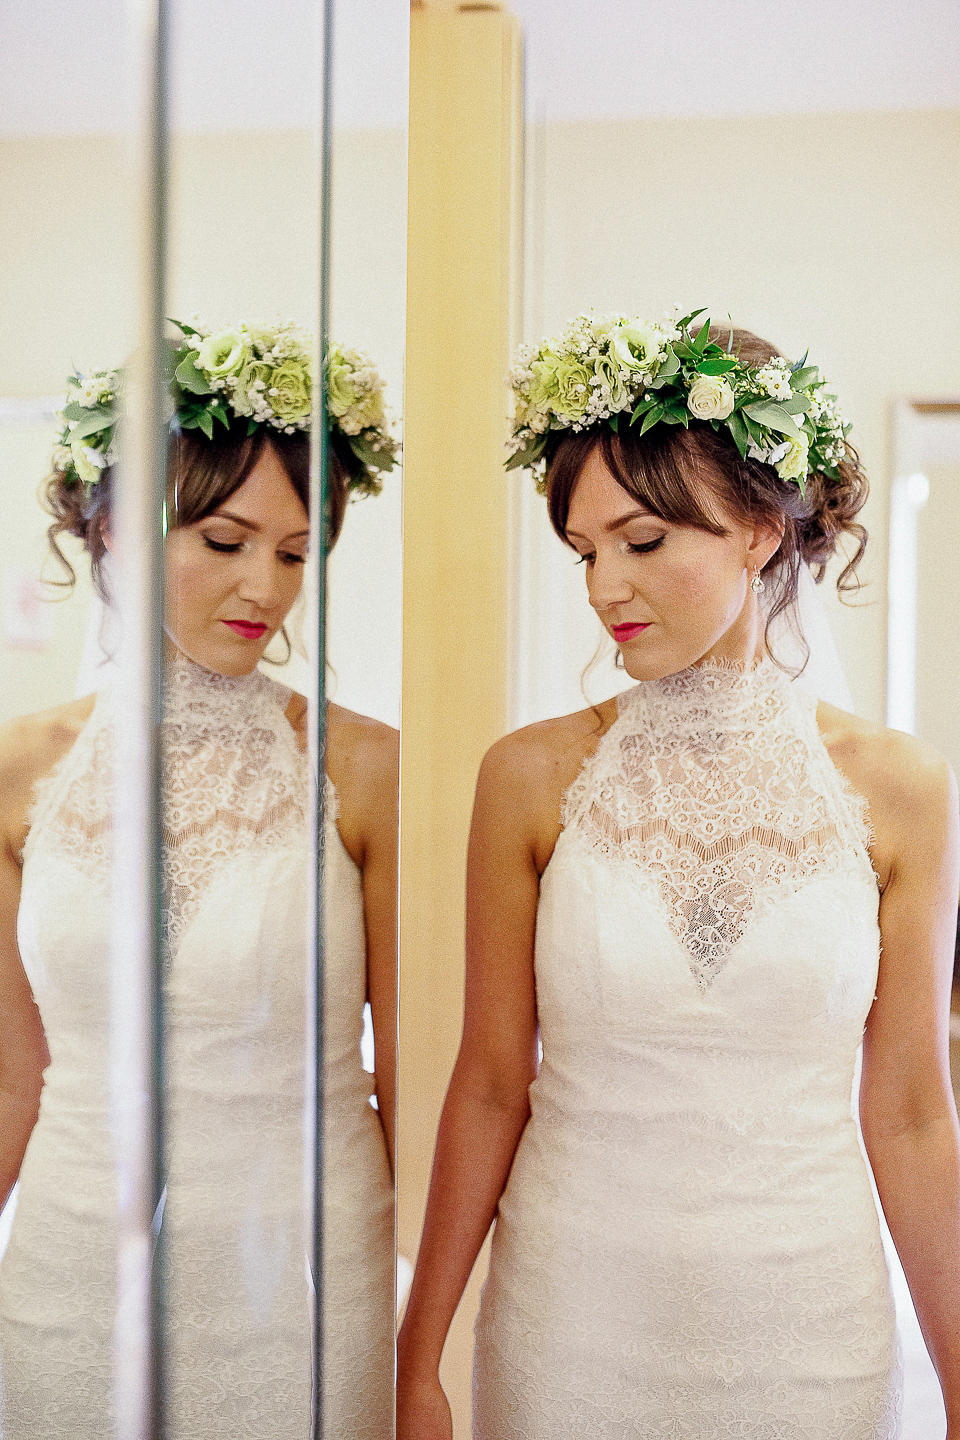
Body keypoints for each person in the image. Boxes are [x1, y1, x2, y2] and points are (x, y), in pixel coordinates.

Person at [396, 312, 960, 1439]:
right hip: (573, 1321)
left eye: (643, 541)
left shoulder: (904, 792)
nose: (607, 585)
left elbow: (907, 1114)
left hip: (809, 1326)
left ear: (760, 527)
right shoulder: (528, 777)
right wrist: (418, 1360)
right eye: (584, 551)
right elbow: (491, 1082)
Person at [0, 321, 397, 1438]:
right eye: (224, 540)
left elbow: (413, 1081)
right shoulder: (20, 769)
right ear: (120, 530)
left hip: (306, 1277)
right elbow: (10, 1082)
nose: (263, 586)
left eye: (292, 549)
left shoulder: (367, 769)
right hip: (72, 1266)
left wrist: (432, 1328)